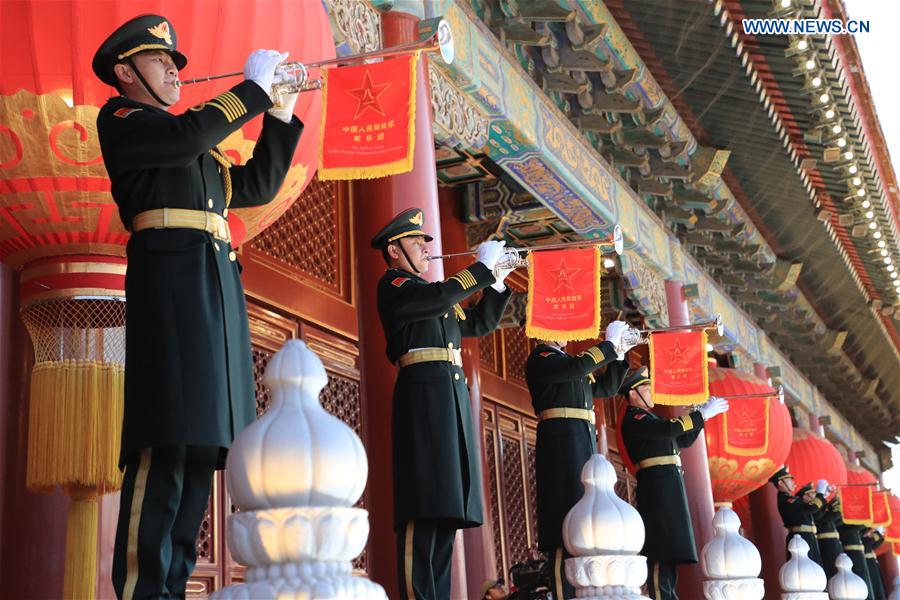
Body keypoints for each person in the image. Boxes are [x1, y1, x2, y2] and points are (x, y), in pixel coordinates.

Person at [93, 14, 303, 599]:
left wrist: (279, 113)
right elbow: (186, 134)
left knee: (198, 448)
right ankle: (142, 591)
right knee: (164, 441)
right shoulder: (127, 120)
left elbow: (256, 186)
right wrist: (251, 92)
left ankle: (173, 587)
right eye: (161, 61)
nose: (174, 71)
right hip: (171, 288)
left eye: (175, 63)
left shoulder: (195, 149)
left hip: (212, 292)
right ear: (125, 72)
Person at [370, 208, 513, 599]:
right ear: (394, 250)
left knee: (446, 510)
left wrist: (496, 283)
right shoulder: (396, 285)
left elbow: (478, 324)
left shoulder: (434, 299)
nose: (425, 248)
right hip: (422, 399)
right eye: (417, 242)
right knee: (422, 508)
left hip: (448, 402)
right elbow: (439, 295)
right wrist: (479, 270)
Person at [525, 320, 632, 599]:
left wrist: (619, 353)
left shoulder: (566, 362)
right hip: (561, 444)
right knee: (565, 522)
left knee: (586, 522)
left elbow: (606, 388)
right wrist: (608, 345)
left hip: (580, 443)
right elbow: (577, 368)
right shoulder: (542, 357)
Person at [619, 367, 730, 600]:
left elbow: (683, 439)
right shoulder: (635, 418)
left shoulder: (651, 418)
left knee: (670, 551)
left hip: (667, 487)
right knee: (661, 550)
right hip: (657, 488)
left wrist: (702, 415)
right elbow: (667, 429)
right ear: (632, 393)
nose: (651, 393)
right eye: (646, 388)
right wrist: (700, 415)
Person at [770, 469, 827, 568]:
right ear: (780, 482)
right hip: (800, 537)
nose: (793, 483)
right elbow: (810, 508)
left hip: (807, 537)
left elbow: (815, 514)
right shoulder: (787, 500)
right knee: (806, 569)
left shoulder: (793, 499)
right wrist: (820, 494)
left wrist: (823, 497)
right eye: (790, 480)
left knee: (815, 567)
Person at [839, 518, 875, 598]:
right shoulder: (845, 523)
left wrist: (867, 523)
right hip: (852, 554)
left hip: (857, 554)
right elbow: (849, 529)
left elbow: (859, 531)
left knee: (865, 579)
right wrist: (867, 521)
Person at [814, 486, 844, 578]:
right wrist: (825, 497)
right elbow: (836, 513)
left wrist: (834, 498)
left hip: (833, 543)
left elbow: (837, 515)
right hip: (827, 544)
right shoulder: (818, 513)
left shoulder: (824, 513)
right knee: (832, 569)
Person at [863, 527, 887, 600]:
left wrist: (879, 534)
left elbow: (872, 545)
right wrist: (878, 533)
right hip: (869, 564)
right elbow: (868, 544)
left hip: (871, 563)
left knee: (877, 589)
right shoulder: (865, 534)